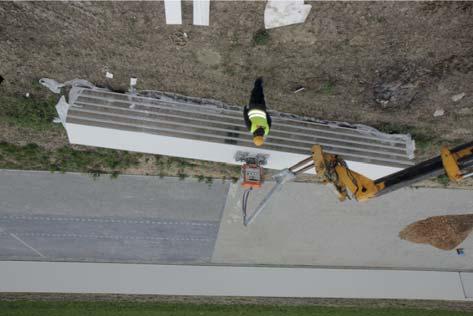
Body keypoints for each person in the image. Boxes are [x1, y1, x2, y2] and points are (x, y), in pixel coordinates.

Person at [243, 77, 272, 147]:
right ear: (254, 137)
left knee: (261, 96)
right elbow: (246, 119)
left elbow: (269, 120)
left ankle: (260, 85)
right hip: (253, 106)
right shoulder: (252, 129)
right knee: (254, 94)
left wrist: (266, 113)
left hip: (262, 107)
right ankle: (258, 81)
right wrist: (245, 109)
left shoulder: (267, 131)